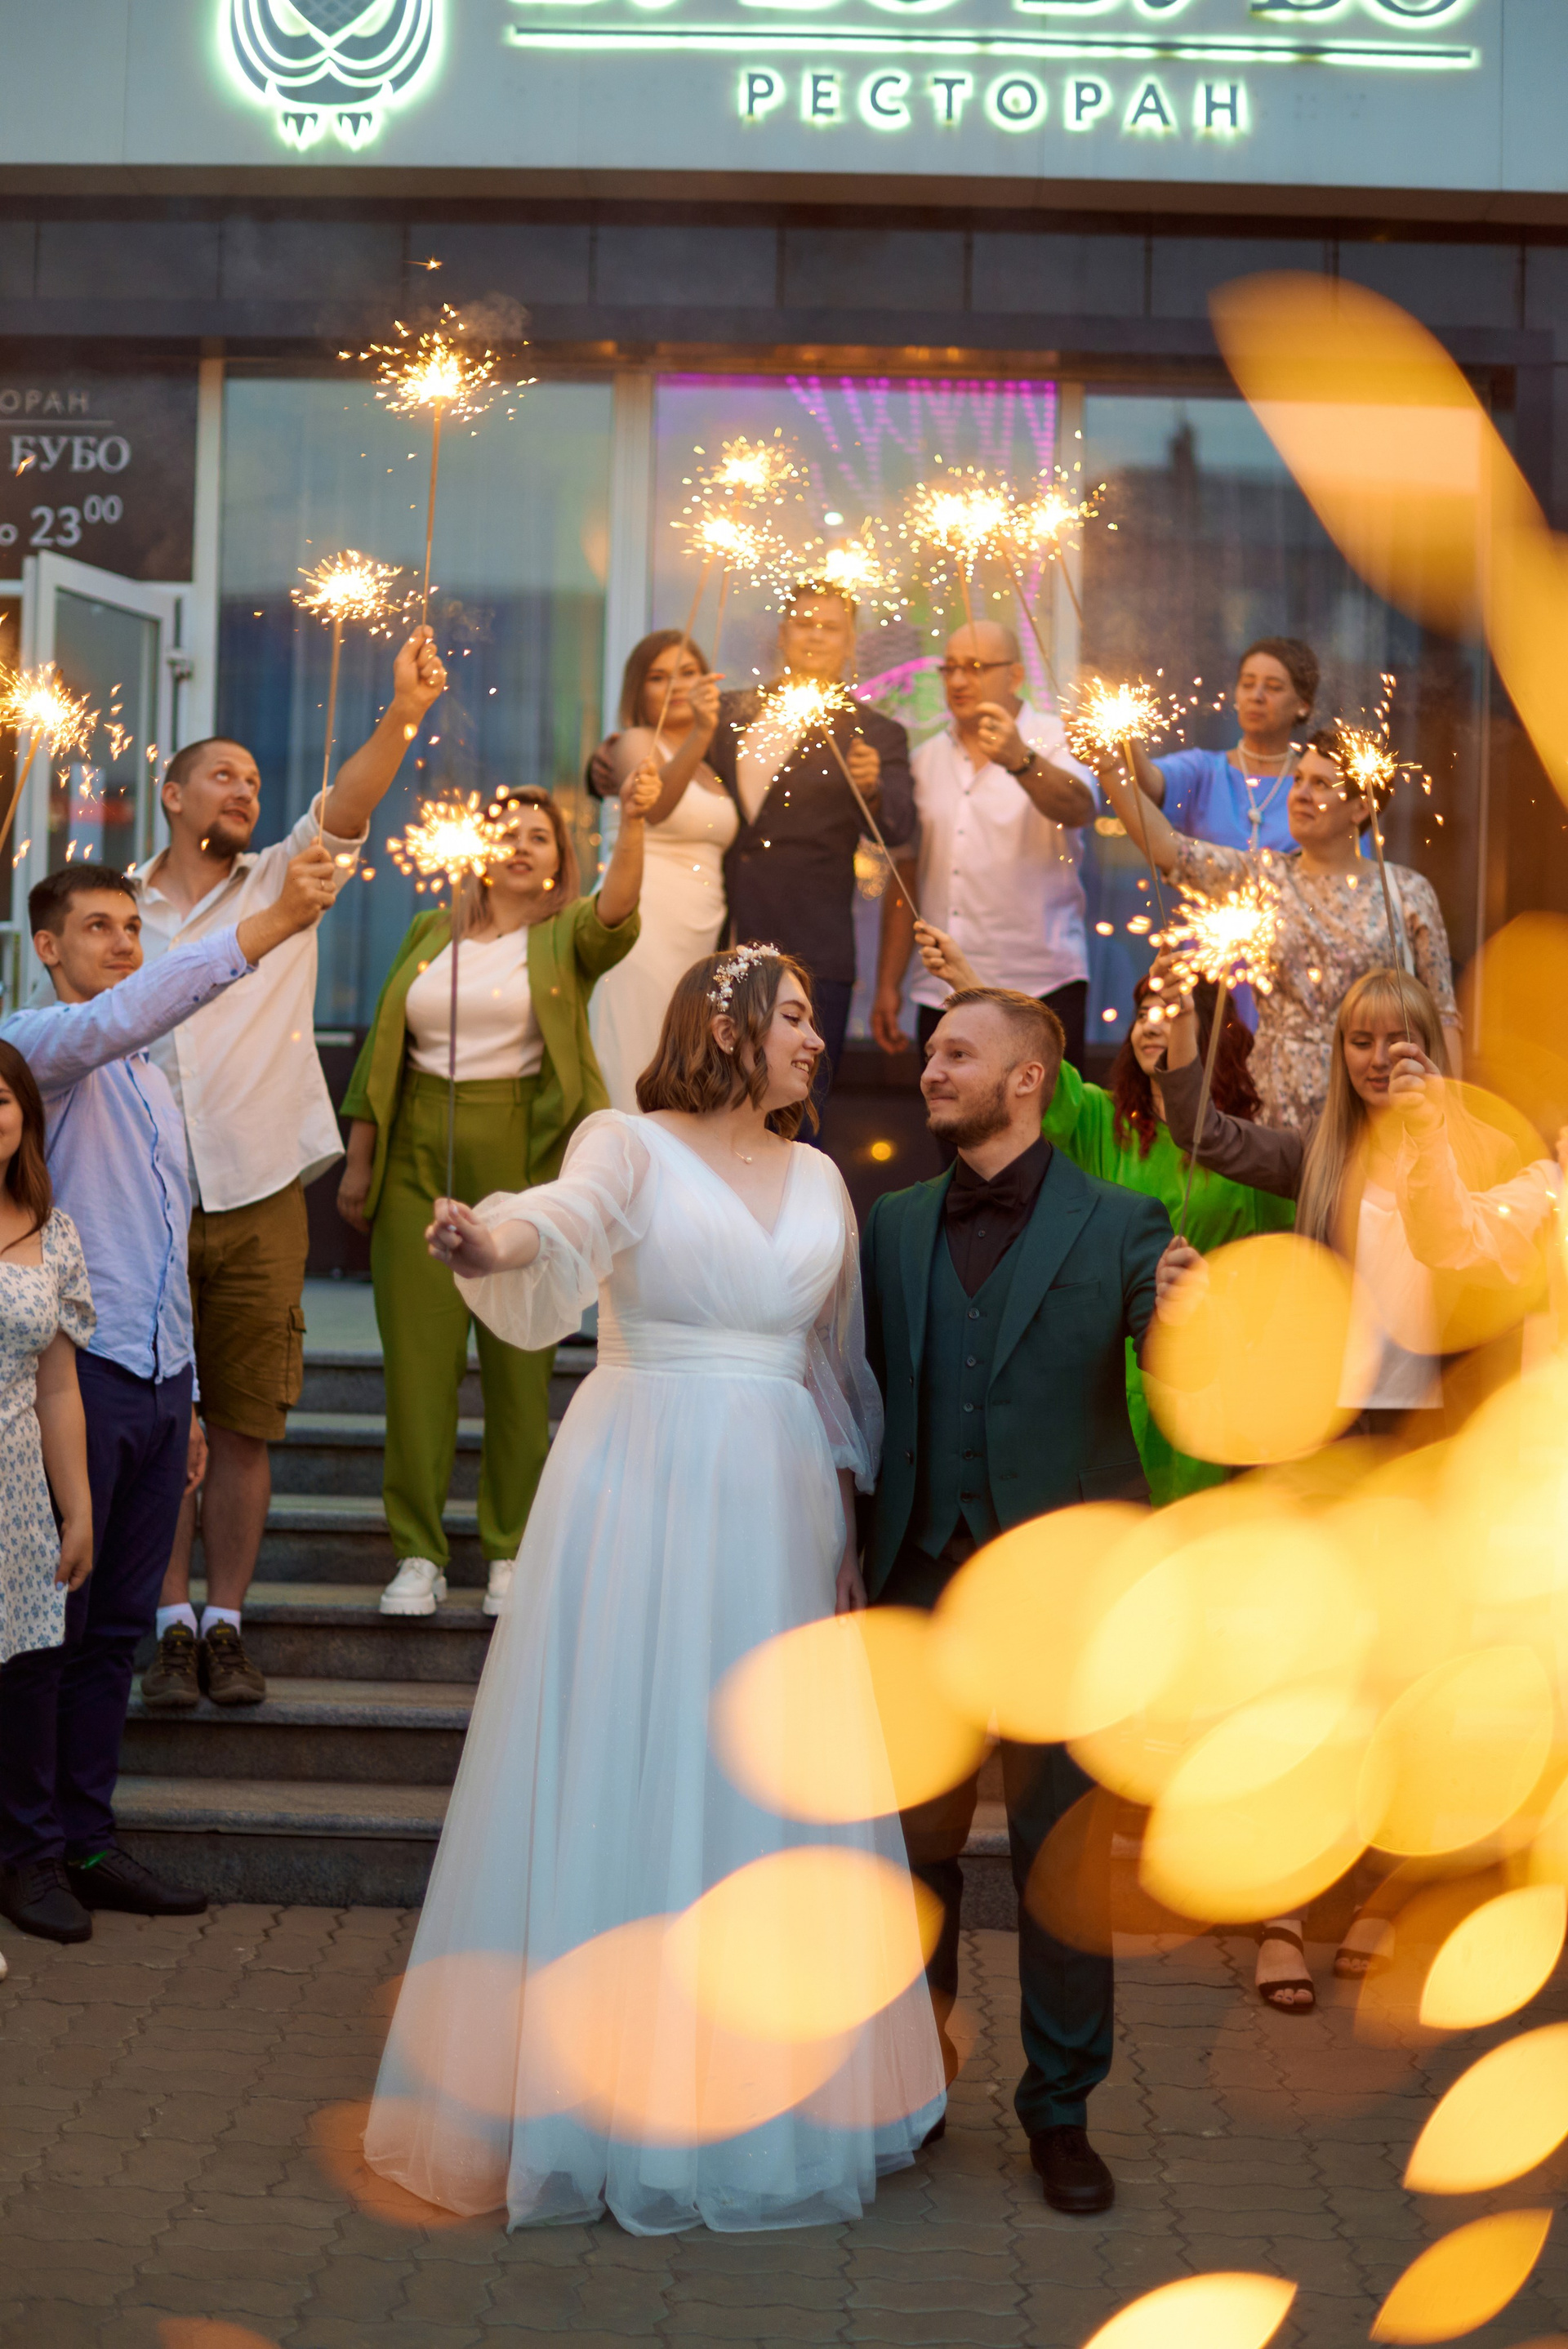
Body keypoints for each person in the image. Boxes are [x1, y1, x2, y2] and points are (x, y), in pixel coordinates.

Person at [363, 946, 944, 2231]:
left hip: (780, 1496)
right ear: (729, 1029)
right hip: (641, 1478)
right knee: (635, 1744)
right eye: (797, 1017)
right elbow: (557, 1223)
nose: (816, 1038)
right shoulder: (625, 1145)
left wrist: (845, 1523)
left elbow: (831, 1365)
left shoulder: (822, 1176)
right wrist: (485, 1236)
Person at [1160, 964, 1559, 2010]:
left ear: (1434, 1045)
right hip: (1324, 1437)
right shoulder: (1321, 1155)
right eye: (1360, 1041)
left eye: (1399, 1039)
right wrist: (1176, 1058)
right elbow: (1209, 1137)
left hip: (1429, 1444)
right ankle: (1285, 1914)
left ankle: (1382, 1896)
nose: (1380, 1059)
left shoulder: (1482, 1161)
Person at [860, 986, 1191, 2217]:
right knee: (914, 1854)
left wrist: (1192, 1321)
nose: (931, 1070)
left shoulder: (1126, 1222)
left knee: (1063, 1861)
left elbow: (1180, 1369)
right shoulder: (892, 1224)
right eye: (932, 1052)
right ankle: (913, 2082)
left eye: (957, 1053)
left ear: (1027, 1079)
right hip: (920, 1581)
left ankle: (1061, 2111)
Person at [0, 849, 334, 1943]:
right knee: (50, 1629)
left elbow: (163, 1242)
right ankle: (26, 1852)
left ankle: (88, 1842)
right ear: (47, 946)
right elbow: (125, 1014)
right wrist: (268, 925)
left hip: (154, 1377)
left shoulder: (150, 1080)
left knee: (116, 1633)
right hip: (76, 1377)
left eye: (132, 927)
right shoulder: (40, 1047)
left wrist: (184, 1398)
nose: (123, 943)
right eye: (98, 927)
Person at [136, 626, 447, 1713]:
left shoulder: (288, 876)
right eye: (223, 774)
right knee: (158, 1424)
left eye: (256, 782)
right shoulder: (120, 908)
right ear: (173, 794)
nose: (245, 790)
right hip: (144, 1196)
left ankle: (226, 1623)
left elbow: (349, 801)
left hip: (263, 1187)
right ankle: (167, 1628)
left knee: (245, 1423)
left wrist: (402, 714)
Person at [336, 767, 657, 1622]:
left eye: (539, 836)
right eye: (506, 832)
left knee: (520, 1367)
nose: (520, 845)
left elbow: (619, 910)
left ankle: (510, 1548)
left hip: (526, 1155)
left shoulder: (566, 935)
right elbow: (381, 1051)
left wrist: (632, 821)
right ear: (478, 850)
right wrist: (361, 1158)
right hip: (416, 1155)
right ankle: (418, 1552)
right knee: (418, 1369)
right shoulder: (428, 930)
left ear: (559, 862)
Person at [911, 923, 1294, 1504]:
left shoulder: (1246, 1147)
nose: (1151, 1025)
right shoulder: (1098, 1119)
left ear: (1210, 1030)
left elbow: (1280, 1264)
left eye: (1169, 1012)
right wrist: (965, 979)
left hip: (1214, 1370)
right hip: (1111, 1370)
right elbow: (1027, 1064)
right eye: (1142, 1014)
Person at [1095, 724, 1463, 1134]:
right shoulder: (1264, 878)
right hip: (1277, 1104)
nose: (1300, 793)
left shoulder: (1406, 891)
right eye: (1298, 780)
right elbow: (1169, 849)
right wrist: (1109, 768)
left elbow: (1442, 1014)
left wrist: (1451, 1117)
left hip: (1374, 1105)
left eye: (1320, 784)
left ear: (1361, 808)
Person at [706, 583, 914, 1124]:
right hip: (717, 939)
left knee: (797, 1119)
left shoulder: (874, 732)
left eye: (830, 627)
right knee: (713, 1110)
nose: (815, 635)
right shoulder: (729, 712)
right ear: (782, 634)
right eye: (804, 623)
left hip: (811, 951)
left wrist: (872, 790)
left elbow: (899, 829)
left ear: (850, 642)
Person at [871, 621, 1098, 1079]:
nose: (958, 681)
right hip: (942, 992)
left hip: (1040, 985)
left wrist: (1022, 761)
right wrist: (887, 983)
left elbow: (1078, 809)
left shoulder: (1057, 739)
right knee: (949, 1121)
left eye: (975, 668)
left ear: (1015, 676)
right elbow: (907, 873)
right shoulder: (925, 758)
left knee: (1046, 1121)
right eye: (950, 668)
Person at [588, 631, 739, 1111]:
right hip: (644, 925)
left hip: (698, 933)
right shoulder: (635, 742)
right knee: (637, 1059)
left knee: (682, 1066)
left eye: (688, 673)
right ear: (639, 690)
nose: (676, 686)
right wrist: (700, 732)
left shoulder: (714, 765)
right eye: (659, 677)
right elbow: (655, 809)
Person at [0, 1043, 94, 1674]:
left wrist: (78, 1510)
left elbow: (58, 1391)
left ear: (26, 1116)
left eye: (0, 1100)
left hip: (17, 1512)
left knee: (22, 1705)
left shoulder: (55, 1234)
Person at [1119, 637, 1320, 860]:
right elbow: (1146, 782)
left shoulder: (1316, 785)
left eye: (1274, 687)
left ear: (1303, 705)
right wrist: (1123, 737)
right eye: (1247, 684)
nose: (1256, 696)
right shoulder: (1203, 771)